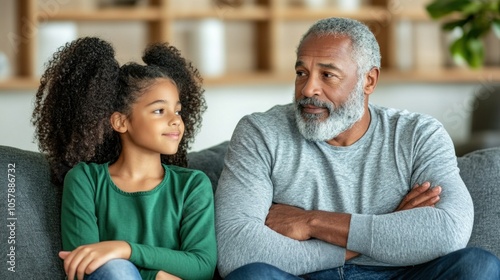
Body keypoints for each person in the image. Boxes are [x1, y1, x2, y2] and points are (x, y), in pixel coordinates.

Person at [215, 17, 500, 279]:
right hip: (304, 275)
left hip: (400, 275)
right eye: (302, 72)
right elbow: (237, 251)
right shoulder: (260, 132)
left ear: (369, 80)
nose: (307, 89)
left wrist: (312, 222)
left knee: (479, 266)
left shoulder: (419, 134)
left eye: (327, 75)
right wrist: (387, 230)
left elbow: (448, 231)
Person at [31, 37, 217, 280]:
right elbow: (84, 264)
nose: (175, 120)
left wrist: (124, 249)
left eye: (178, 110)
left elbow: (202, 266)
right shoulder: (85, 180)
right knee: (115, 269)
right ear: (121, 122)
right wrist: (158, 276)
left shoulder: (193, 185)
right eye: (159, 110)